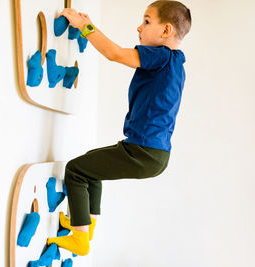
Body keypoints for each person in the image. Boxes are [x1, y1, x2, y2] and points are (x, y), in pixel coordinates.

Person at [47, 0, 192, 256]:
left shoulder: (160, 56)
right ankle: (86, 225)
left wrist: (84, 26)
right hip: (154, 153)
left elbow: (114, 53)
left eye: (147, 21)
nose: (139, 27)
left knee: (76, 171)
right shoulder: (176, 63)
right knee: (92, 168)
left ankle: (80, 239)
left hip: (144, 150)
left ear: (166, 31)